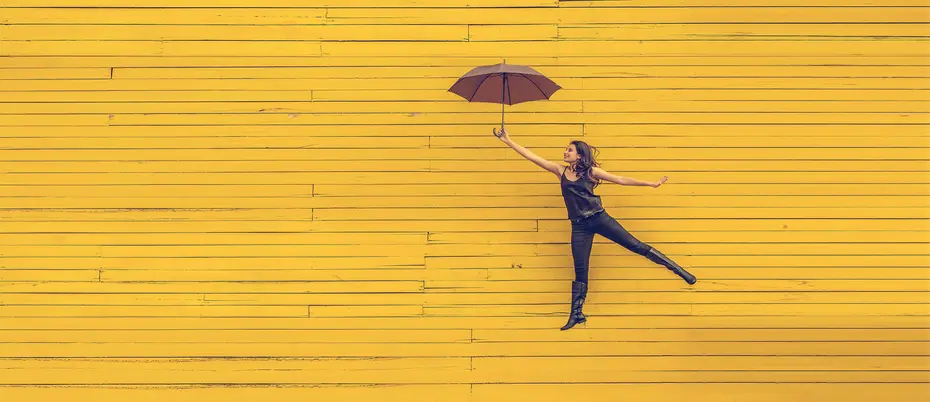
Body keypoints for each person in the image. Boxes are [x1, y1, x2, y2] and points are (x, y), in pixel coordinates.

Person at [494, 128, 697, 331]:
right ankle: (576, 314)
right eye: (566, 150)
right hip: (579, 226)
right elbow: (532, 157)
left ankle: (679, 270)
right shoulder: (560, 170)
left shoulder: (591, 172)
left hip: (599, 218)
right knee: (580, 269)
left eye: (569, 150)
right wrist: (508, 140)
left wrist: (650, 183)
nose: (565, 152)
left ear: (579, 155)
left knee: (635, 245)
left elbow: (620, 179)